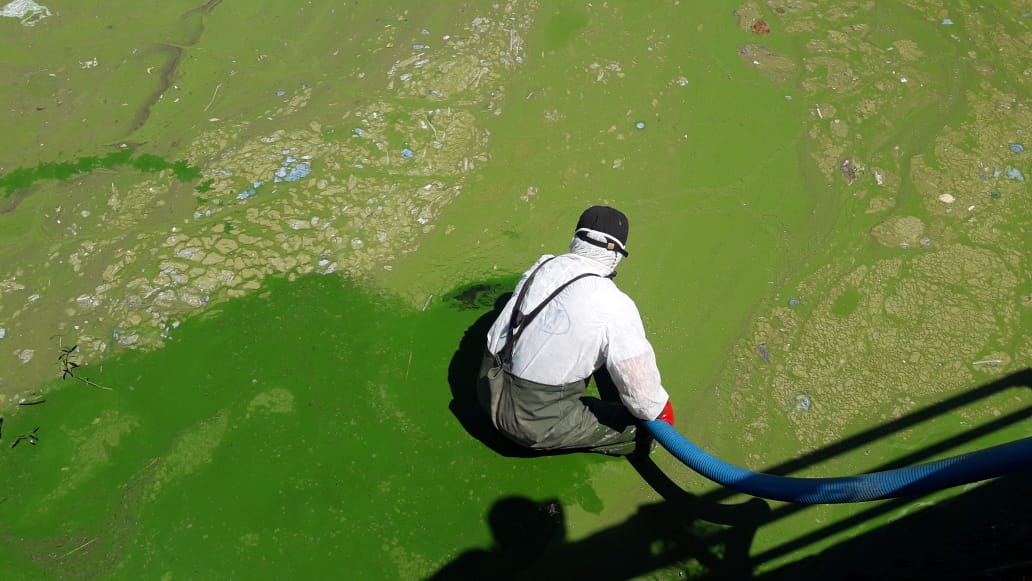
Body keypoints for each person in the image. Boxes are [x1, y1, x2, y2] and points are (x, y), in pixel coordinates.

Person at [477, 206, 675, 456]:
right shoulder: (614, 304)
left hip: (486, 387)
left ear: (577, 238)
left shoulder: (542, 266)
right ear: (615, 255)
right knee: (644, 432)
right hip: (530, 424)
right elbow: (644, 401)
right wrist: (663, 413)